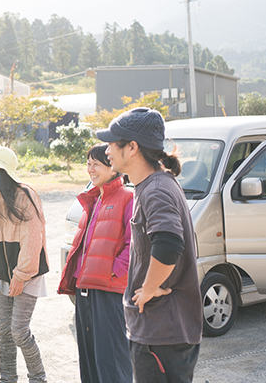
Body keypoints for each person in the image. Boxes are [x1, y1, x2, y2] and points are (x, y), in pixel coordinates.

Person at [97, 107, 202, 383]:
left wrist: (149, 289)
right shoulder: (153, 184)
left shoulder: (155, 189)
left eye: (111, 143)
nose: (106, 150)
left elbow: (168, 243)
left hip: (161, 332)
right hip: (161, 331)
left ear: (132, 147)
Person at [57, 144, 133, 383]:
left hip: (109, 290)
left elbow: (135, 246)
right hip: (85, 288)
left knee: (111, 359)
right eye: (88, 163)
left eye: (96, 164)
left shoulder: (128, 197)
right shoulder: (94, 198)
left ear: (113, 167)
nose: (90, 169)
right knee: (89, 358)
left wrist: (112, 272)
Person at [0, 146, 48, 383]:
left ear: (3, 169)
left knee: (18, 331)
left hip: (27, 274)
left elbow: (33, 237)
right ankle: (7, 379)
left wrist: (20, 275)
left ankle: (38, 378)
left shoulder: (25, 195)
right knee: (3, 333)